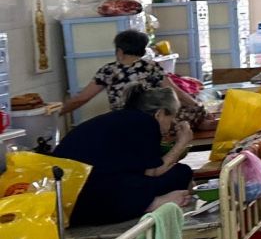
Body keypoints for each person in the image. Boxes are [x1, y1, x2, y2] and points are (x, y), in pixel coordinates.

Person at [55, 86, 195, 227]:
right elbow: (152, 173)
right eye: (171, 118)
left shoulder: (123, 119)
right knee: (182, 173)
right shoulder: (147, 123)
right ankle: (151, 203)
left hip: (65, 205)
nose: (172, 125)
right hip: (95, 200)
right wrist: (181, 143)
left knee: (173, 174)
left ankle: (148, 202)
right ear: (160, 114)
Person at [58, 29, 202, 119]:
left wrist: (57, 113)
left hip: (121, 123)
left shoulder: (108, 70)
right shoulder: (151, 67)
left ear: (120, 51)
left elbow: (81, 99)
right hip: (151, 122)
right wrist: (198, 106)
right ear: (143, 51)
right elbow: (175, 91)